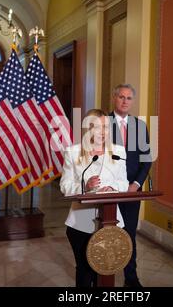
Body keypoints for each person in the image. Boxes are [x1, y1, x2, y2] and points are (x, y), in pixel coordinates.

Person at [60, 109, 129, 287]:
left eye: (106, 127)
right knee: (85, 271)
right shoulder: (73, 152)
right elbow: (65, 186)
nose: (103, 131)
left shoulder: (119, 151)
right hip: (81, 223)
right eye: (97, 127)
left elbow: (124, 184)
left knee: (106, 269)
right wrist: (85, 187)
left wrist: (113, 188)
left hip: (111, 222)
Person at [109, 84, 152, 287]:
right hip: (107, 191)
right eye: (121, 97)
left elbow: (147, 160)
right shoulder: (102, 123)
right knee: (103, 234)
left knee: (129, 234)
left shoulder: (140, 126)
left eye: (129, 98)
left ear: (132, 101)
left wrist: (135, 184)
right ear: (114, 98)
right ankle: (99, 276)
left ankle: (131, 278)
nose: (125, 101)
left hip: (131, 191)